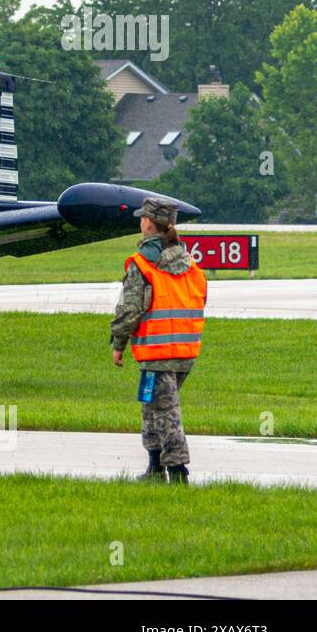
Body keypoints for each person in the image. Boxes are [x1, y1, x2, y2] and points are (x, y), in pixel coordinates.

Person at [110, 197, 207, 484]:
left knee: (165, 413)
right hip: (185, 352)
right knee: (151, 405)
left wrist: (118, 345)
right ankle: (154, 467)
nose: (141, 222)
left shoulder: (142, 265)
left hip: (157, 352)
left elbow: (129, 309)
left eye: (142, 218)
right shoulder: (190, 265)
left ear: (148, 223)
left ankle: (178, 472)